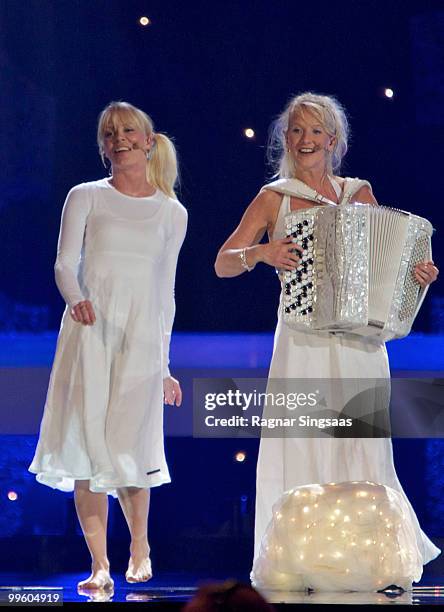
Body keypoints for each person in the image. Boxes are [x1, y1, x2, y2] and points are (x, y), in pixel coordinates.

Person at [214, 92, 440, 589]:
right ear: (286, 140)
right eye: (297, 131)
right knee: (306, 444)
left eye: (316, 131)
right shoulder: (275, 197)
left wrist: (417, 275)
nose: (306, 140)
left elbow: (389, 267)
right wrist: (262, 252)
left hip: (359, 343)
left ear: (333, 141)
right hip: (302, 340)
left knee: (361, 446)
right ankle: (301, 562)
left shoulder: (359, 193)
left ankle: (373, 563)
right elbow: (223, 262)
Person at [29, 101, 187, 590]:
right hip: (89, 332)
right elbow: (63, 262)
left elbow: (166, 293)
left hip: (140, 340)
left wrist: (164, 365)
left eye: (128, 131)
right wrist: (75, 299)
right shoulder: (85, 196)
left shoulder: (171, 212)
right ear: (103, 146)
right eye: (110, 133)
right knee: (85, 445)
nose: (119, 138)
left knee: (131, 444)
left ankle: (139, 545)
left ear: (147, 139)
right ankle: (99, 564)